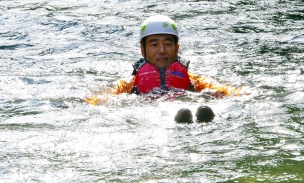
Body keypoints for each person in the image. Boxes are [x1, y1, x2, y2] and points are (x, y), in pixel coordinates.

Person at [86, 15, 241, 122]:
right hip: (152, 116)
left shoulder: (193, 81)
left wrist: (240, 94)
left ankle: (204, 120)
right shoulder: (129, 85)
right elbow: (101, 100)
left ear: (177, 48)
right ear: (143, 50)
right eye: (154, 45)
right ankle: (180, 121)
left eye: (167, 44)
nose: (161, 50)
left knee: (200, 106)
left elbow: (228, 91)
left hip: (184, 105)